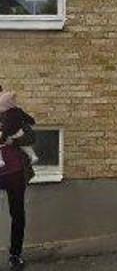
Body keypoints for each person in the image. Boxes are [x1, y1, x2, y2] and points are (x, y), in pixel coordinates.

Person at [0, 90, 36, 270]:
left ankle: (15, 255)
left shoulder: (16, 115)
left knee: (18, 215)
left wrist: (12, 142)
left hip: (16, 173)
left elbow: (31, 137)